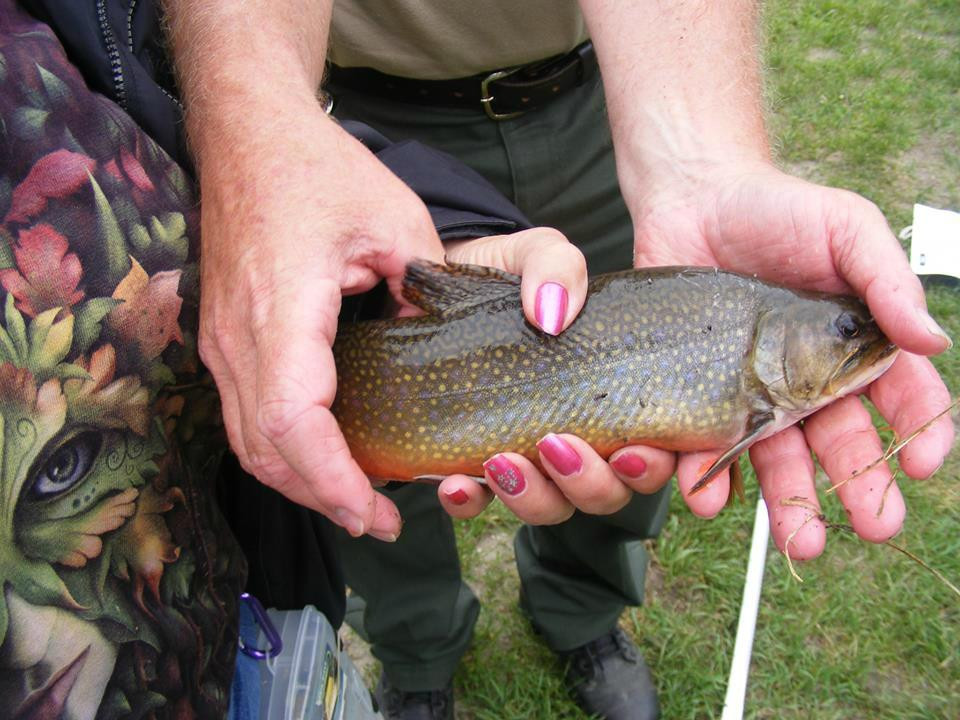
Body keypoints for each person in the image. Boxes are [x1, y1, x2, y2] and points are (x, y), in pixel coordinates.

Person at [157, 2, 955, 719]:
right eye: (846, 335)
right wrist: (263, 133)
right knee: (340, 464)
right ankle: (418, 658)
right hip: (342, 109)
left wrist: (710, 164)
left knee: (622, 477)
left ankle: (584, 619)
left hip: (608, 101)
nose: (861, 341)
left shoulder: (733, 301)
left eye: (844, 333)